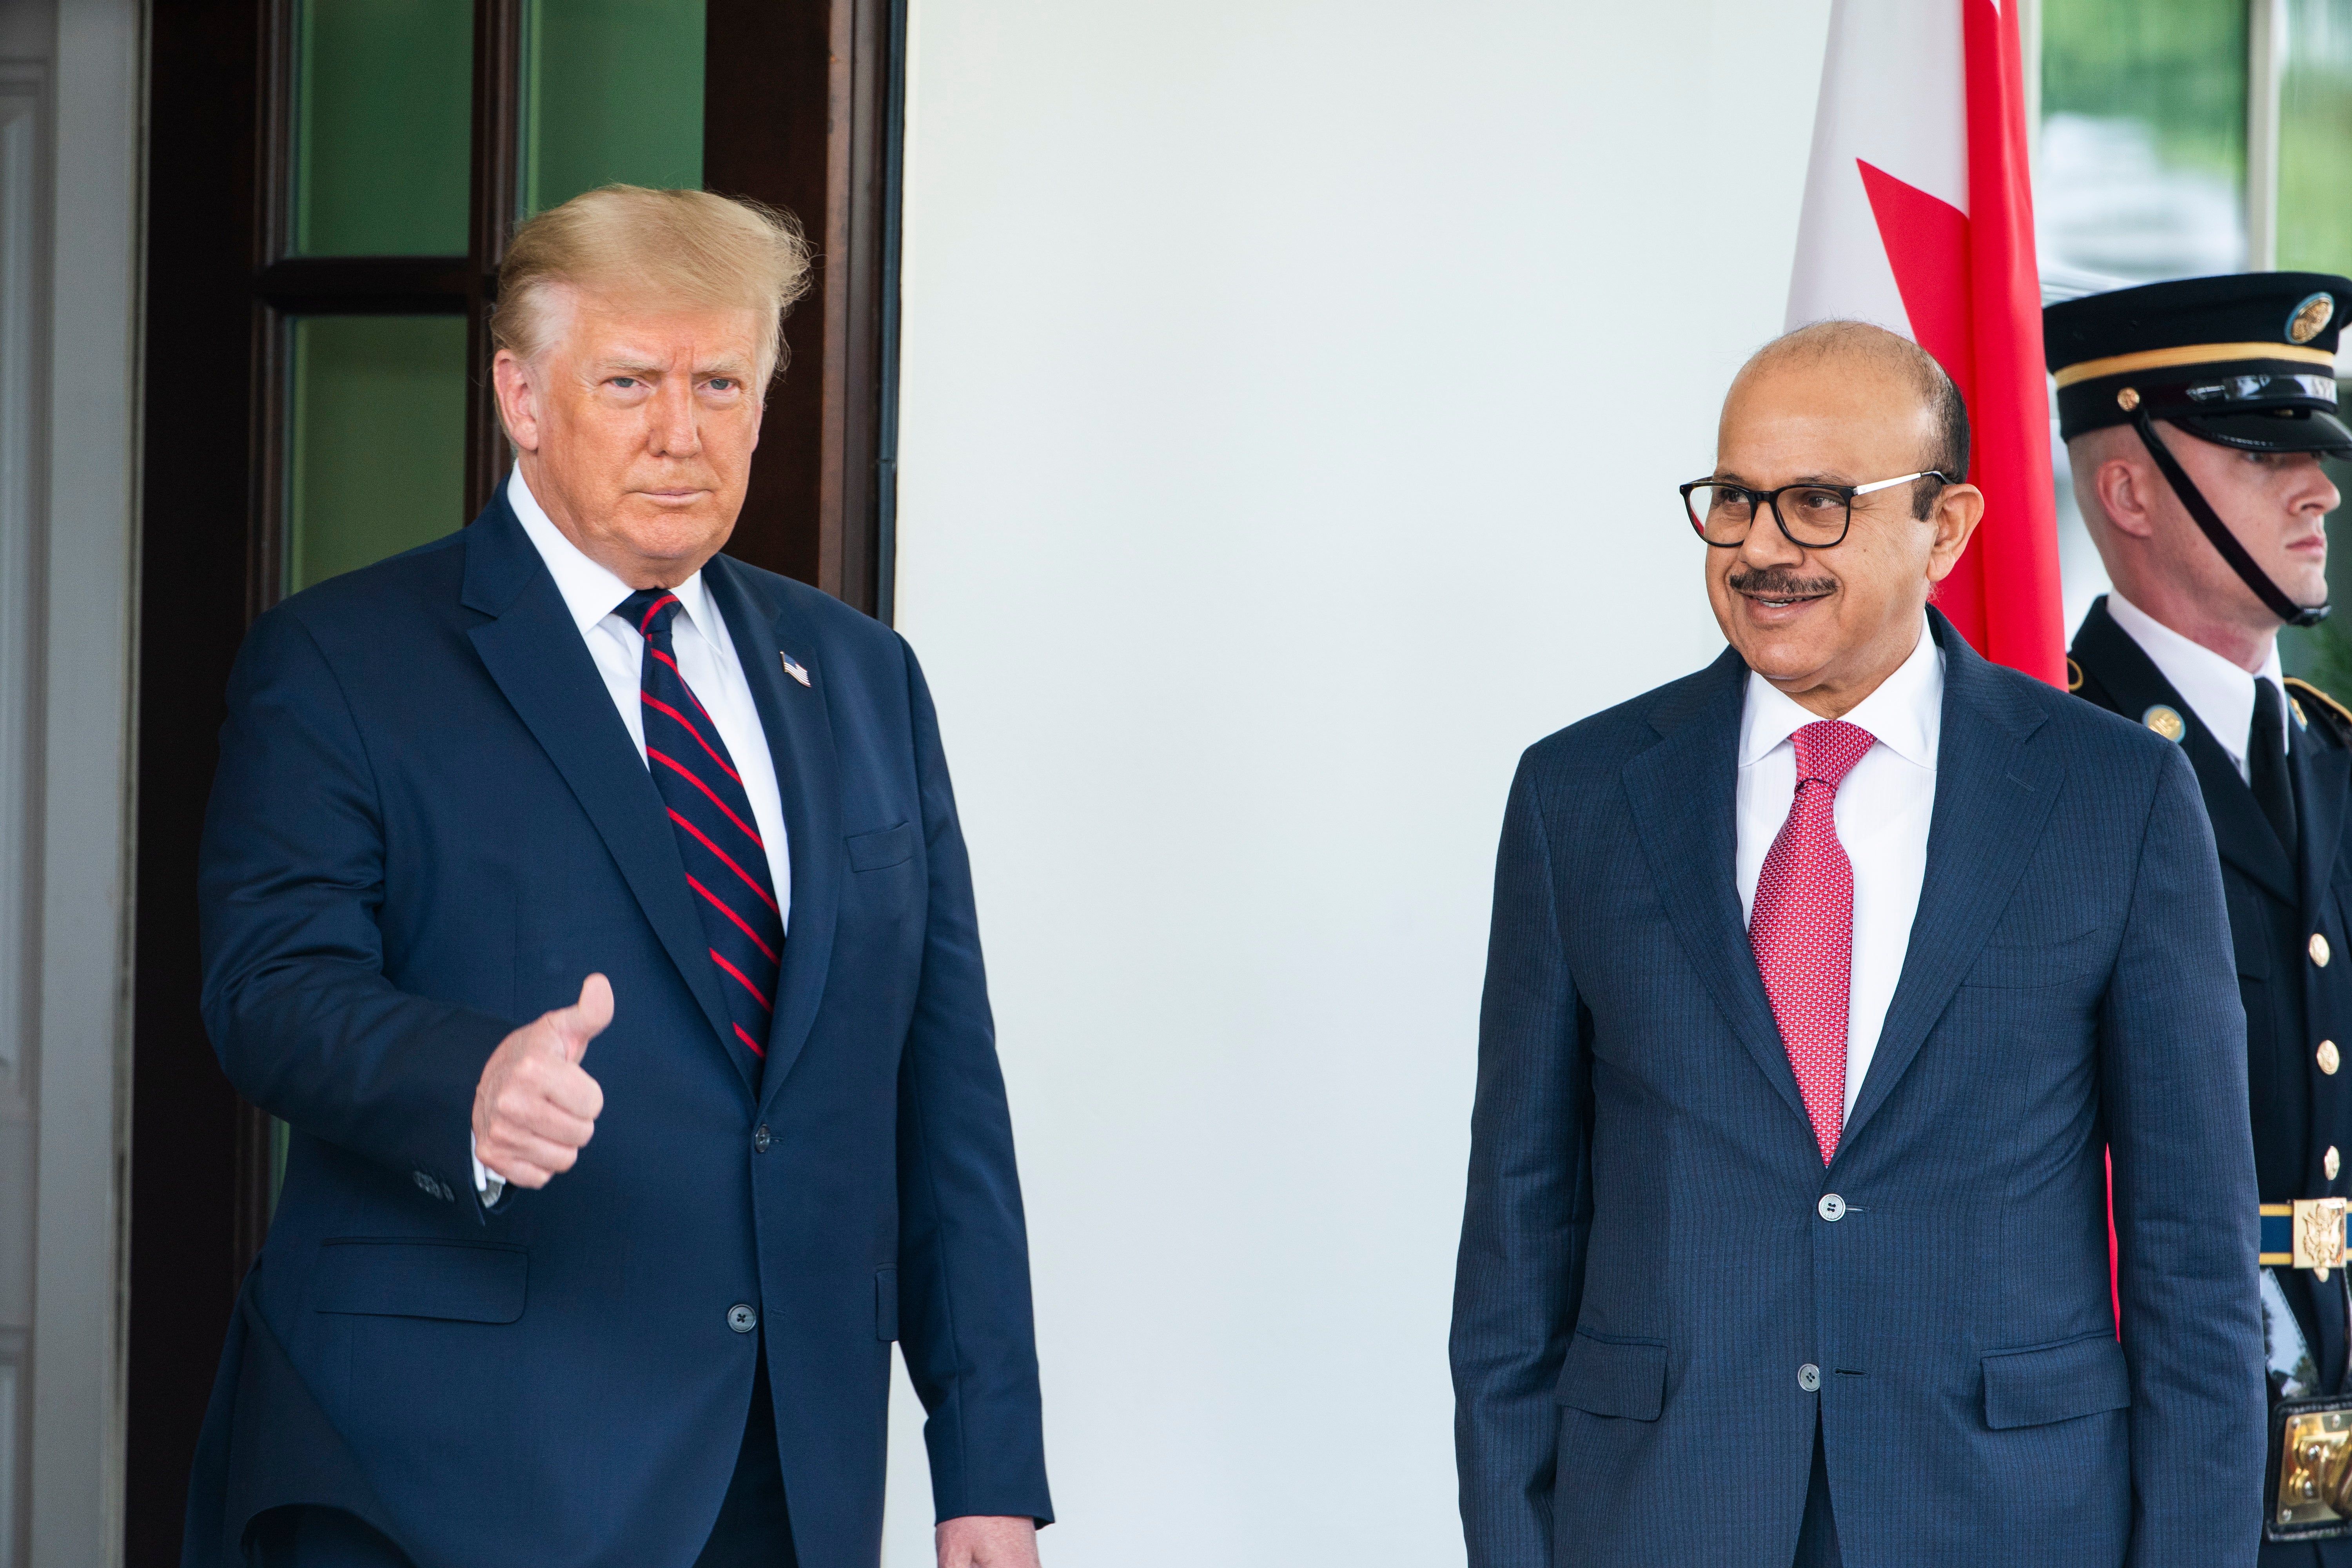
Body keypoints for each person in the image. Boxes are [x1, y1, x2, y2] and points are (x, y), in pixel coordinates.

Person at [181, 186, 1051, 1568]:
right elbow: (267, 989)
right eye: (631, 381)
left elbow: (944, 1098)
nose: (680, 433)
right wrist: (460, 1077)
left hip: (786, 1474)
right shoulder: (344, 661)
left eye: (721, 382)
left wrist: (987, 1468)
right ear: (522, 397)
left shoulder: (864, 678)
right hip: (448, 1473)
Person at [1450, 320, 2265, 1567]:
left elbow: (2194, 1268)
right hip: (1667, 1515)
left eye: (1819, 504)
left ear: (1947, 528)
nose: (1763, 547)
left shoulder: (2117, 799)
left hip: (2008, 1520)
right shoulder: (1580, 800)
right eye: (1734, 500)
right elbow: (1517, 1249)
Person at [2051, 271, 2352, 1564]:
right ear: (2130, 493)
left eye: (2319, 455)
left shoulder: (2334, 760)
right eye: (2266, 454)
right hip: (2134, 1432)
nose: (2321, 490)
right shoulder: (2048, 768)